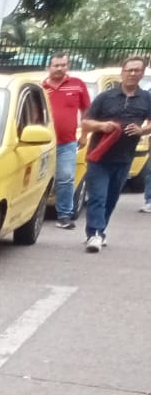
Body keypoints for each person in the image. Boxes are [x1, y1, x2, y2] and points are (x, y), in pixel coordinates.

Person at [79, 55, 150, 251]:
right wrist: (102, 125)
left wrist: (142, 130)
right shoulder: (106, 97)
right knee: (97, 197)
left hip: (125, 157)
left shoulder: (146, 98)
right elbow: (85, 122)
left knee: (111, 198)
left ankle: (99, 232)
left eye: (137, 70)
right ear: (122, 71)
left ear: (142, 73)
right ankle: (94, 234)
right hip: (99, 156)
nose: (132, 73)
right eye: (129, 70)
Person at [41, 53, 91, 229]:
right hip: (42, 144)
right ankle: (34, 215)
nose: (60, 68)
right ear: (49, 67)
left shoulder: (77, 85)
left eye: (63, 65)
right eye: (56, 65)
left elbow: (87, 111)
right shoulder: (41, 87)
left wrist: (84, 134)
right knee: (38, 180)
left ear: (67, 66)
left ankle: (64, 216)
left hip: (67, 142)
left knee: (66, 178)